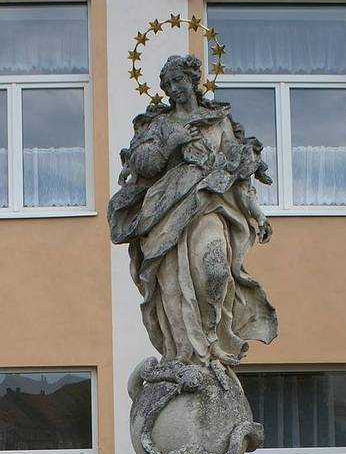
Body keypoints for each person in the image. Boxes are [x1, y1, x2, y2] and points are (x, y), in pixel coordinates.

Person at [109, 54, 276, 375]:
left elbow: (237, 173)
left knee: (215, 271)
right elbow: (143, 164)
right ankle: (185, 353)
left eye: (179, 81)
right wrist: (172, 143)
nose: (174, 89)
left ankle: (212, 343)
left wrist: (258, 214)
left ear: (192, 81)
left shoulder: (218, 122)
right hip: (166, 214)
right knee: (173, 288)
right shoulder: (160, 125)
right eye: (168, 85)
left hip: (209, 207)